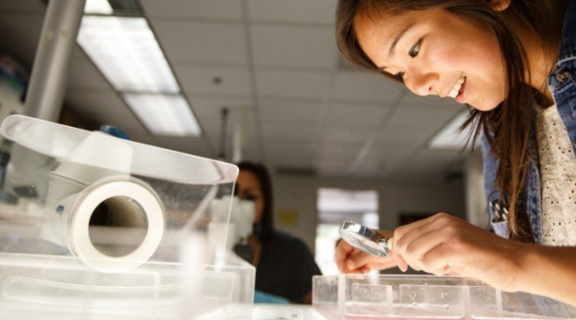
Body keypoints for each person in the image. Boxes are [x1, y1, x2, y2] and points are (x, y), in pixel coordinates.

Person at [334, 0, 576, 307]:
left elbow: (515, 265)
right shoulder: (504, 123)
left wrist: (511, 260)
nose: (418, 87)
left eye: (413, 49)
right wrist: (418, 248)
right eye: (399, 73)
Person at [236, 161, 322, 304]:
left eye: (250, 197)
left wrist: (278, 307)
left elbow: (321, 305)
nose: (239, 204)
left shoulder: (293, 251)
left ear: (265, 203)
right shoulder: (209, 250)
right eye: (233, 195)